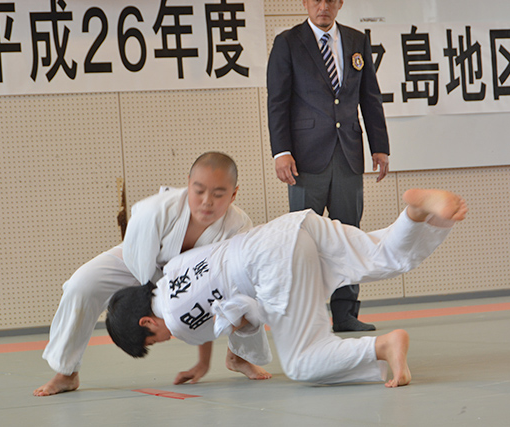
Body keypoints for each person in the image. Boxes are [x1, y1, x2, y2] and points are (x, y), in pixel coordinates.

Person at [106, 189, 467, 387]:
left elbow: (235, 319)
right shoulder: (172, 270)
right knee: (382, 256)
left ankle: (383, 347)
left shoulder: (177, 321)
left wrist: (232, 353)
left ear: (146, 324)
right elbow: (230, 302)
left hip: (273, 262)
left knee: (301, 362)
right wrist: (236, 353)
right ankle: (418, 214)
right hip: (290, 229)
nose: (164, 341)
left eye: (154, 342)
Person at [34, 152, 272, 397]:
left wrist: (203, 361)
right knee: (81, 285)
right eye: (198, 190)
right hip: (141, 265)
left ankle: (239, 356)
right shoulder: (153, 211)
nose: (206, 201)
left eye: (219, 194)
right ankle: (66, 372)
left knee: (246, 287)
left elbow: (210, 290)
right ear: (188, 183)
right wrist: (169, 299)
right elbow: (145, 271)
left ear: (233, 194)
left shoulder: (238, 227)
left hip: (196, 276)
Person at [267, 0, 391, 332]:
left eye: (330, 0)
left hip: (349, 152)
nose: (323, 6)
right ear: (306, 3)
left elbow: (370, 96)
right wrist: (281, 151)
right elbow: (277, 100)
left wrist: (379, 146)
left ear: (340, 4)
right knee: (303, 238)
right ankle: (306, 314)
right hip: (305, 158)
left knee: (348, 235)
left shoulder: (356, 40)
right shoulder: (288, 42)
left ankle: (345, 314)